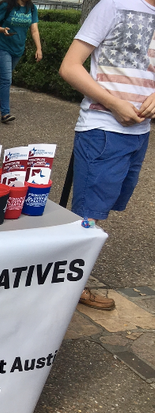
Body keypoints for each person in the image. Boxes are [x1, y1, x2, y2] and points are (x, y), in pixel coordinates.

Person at [59, 0, 155, 311]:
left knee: (97, 212)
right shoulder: (113, 4)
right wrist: (114, 104)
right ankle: (69, 289)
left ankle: (68, 281)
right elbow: (70, 66)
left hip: (140, 134)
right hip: (103, 130)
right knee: (89, 214)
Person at [0, 0, 42, 124]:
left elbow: (34, 30)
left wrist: (39, 48)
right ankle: (5, 113)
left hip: (17, 50)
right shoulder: (7, 6)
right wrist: (1, 30)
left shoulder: (31, 8)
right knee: (6, 79)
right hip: (1, 48)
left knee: (2, 79)